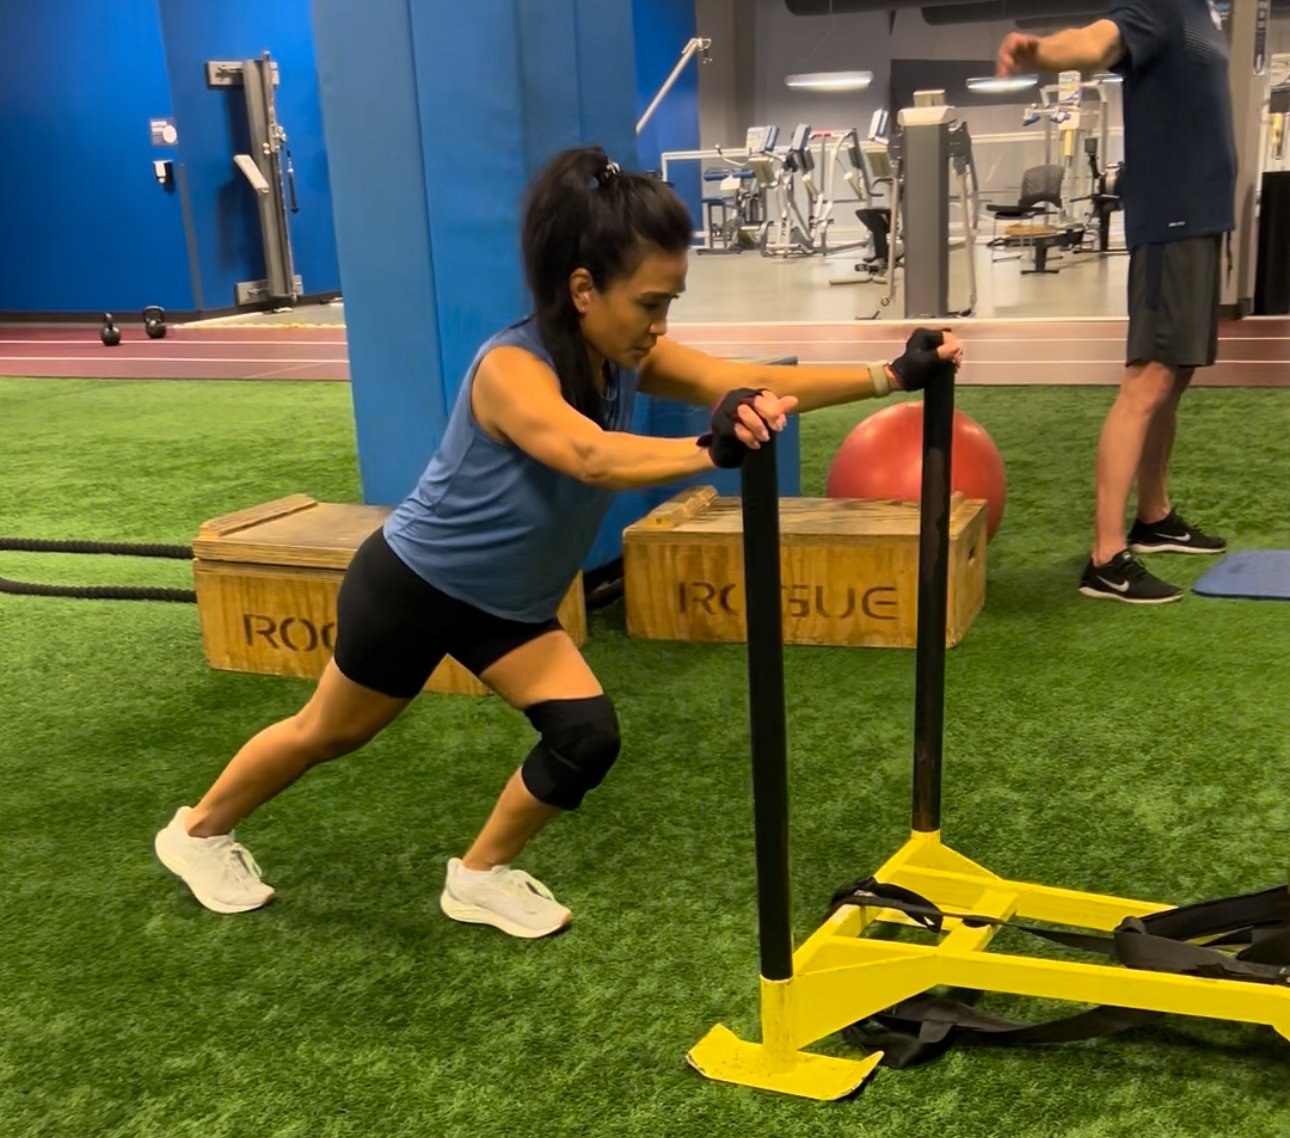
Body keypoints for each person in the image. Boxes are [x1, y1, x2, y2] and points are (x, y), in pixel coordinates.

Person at [155, 146, 962, 938]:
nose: (661, 322)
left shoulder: (624, 355)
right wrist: (711, 452)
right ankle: (195, 833)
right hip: (416, 585)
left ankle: (477, 876)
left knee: (585, 737)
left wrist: (889, 374)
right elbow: (589, 455)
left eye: (670, 301)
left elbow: (738, 375)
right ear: (583, 289)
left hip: (508, 608)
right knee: (327, 733)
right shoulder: (512, 368)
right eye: (650, 302)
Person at [998, 2, 1233, 604]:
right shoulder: (1157, 7)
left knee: (1174, 375)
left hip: (1203, 217)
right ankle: (1106, 557)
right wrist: (1043, 53)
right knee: (1148, 379)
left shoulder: (1199, 11)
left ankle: (1154, 517)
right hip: (1173, 216)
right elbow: (1096, 43)